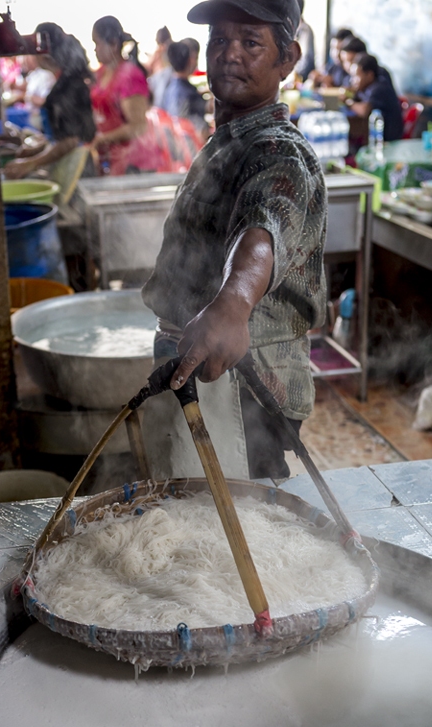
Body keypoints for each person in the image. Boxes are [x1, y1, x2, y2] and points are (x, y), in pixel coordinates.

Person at [141, 0, 327, 481]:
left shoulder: (277, 151)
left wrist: (232, 304)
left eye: (250, 42)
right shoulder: (229, 139)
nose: (230, 54)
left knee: (246, 532)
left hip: (244, 386)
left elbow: (262, 229)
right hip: (205, 369)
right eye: (220, 40)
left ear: (287, 58)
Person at [4, 23, 95, 179]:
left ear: (43, 53)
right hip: (69, 163)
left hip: (77, 169)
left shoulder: (68, 86)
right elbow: (60, 138)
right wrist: (36, 150)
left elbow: (70, 141)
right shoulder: (65, 81)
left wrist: (30, 163)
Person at [90, 16, 163, 175]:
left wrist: (101, 139)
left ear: (114, 44)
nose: (95, 49)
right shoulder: (101, 73)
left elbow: (138, 126)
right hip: (112, 158)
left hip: (135, 162)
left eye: (97, 43)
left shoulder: (130, 76)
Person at [347, 54, 404, 142]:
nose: (353, 80)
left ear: (369, 75)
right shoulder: (369, 86)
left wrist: (347, 102)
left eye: (356, 76)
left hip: (387, 141)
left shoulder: (380, 88)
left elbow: (364, 110)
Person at [160, 40, 208, 134]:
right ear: (190, 60)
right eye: (195, 57)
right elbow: (196, 131)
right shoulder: (185, 93)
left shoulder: (171, 87)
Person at [294, 0, 315, 81]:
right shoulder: (293, 30)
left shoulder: (305, 30)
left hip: (303, 78)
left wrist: (295, 75)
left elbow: (306, 58)